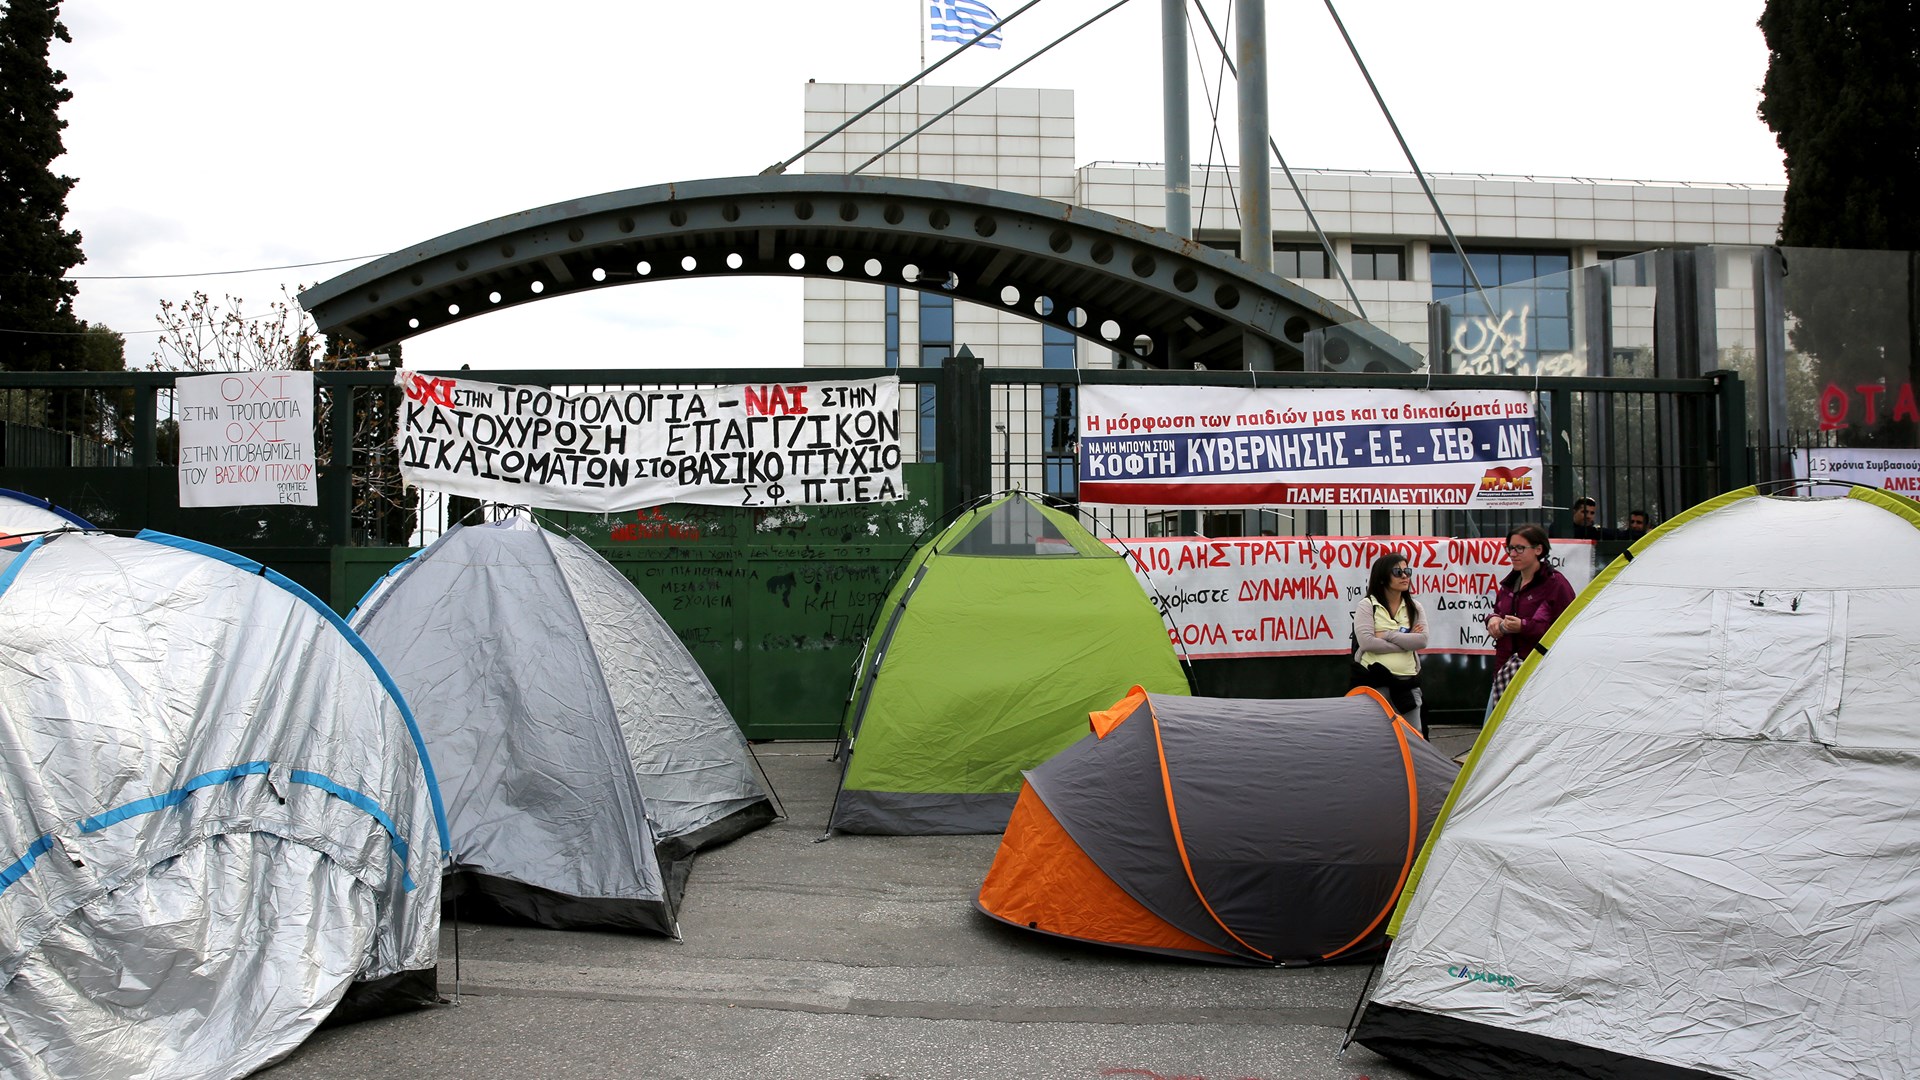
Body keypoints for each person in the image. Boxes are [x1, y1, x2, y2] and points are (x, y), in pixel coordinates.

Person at [1484, 524, 1575, 717]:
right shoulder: (1510, 584)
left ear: (1538, 550)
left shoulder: (1555, 584)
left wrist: (1523, 626)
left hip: (1540, 672)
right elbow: (1498, 611)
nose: (1513, 554)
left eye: (1520, 548)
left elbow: (1567, 628)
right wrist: (1493, 619)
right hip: (1505, 669)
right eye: (1510, 548)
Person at [1352, 551, 1429, 735]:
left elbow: (1422, 640)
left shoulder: (1414, 607)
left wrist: (1386, 634)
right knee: (1375, 734)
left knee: (1413, 734)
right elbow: (1368, 643)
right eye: (1397, 572)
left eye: (1407, 571)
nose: (1405, 576)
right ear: (1382, 578)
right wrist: (1406, 641)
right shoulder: (1367, 605)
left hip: (1407, 683)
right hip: (1374, 681)